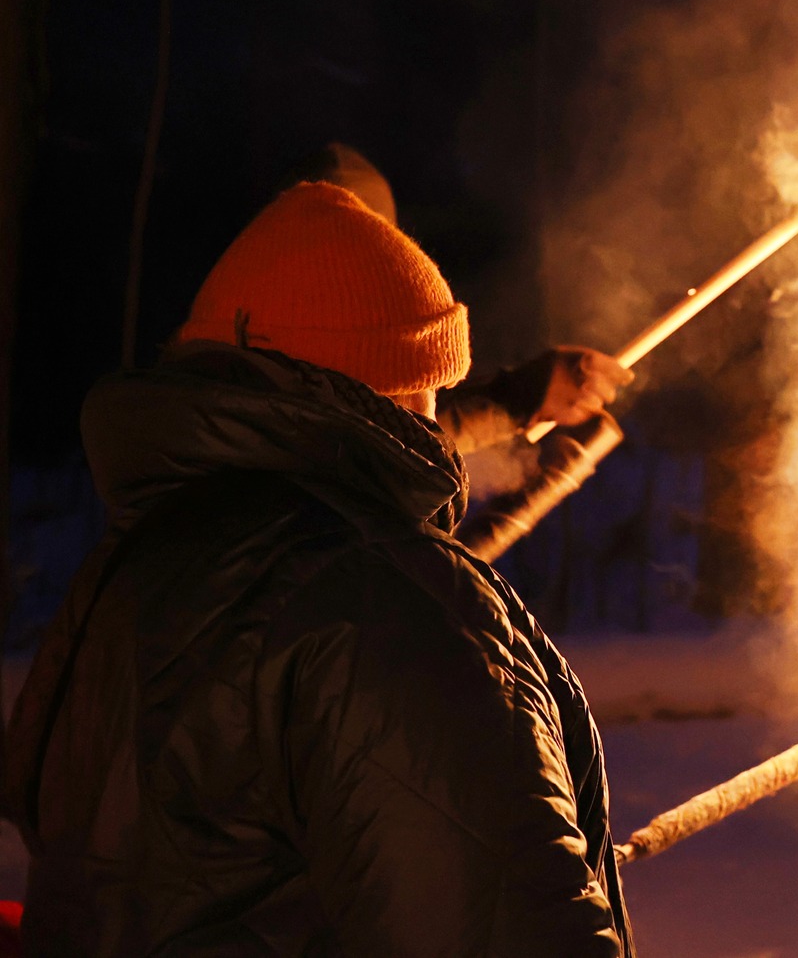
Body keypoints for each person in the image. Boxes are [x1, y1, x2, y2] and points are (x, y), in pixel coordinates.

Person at [1, 182, 633, 954]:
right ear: (403, 383)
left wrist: (521, 411)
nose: (439, 412)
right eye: (434, 381)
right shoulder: (388, 604)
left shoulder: (128, 574)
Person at [279, 142, 632, 455]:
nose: (343, 288)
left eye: (368, 258)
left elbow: (396, 444)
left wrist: (524, 395)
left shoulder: (376, 382)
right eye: (324, 253)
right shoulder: (257, 393)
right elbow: (369, 460)